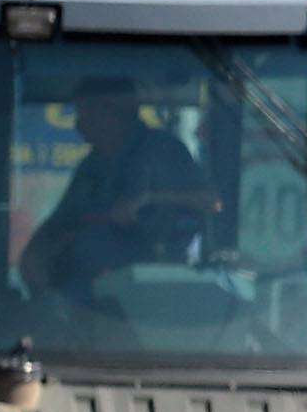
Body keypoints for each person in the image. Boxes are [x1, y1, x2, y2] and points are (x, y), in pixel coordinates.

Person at [21, 77, 210, 297]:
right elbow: (62, 221)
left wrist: (150, 199)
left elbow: (210, 202)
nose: (78, 124)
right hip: (86, 289)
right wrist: (35, 255)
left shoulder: (163, 151)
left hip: (151, 290)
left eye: (86, 113)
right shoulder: (91, 165)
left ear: (116, 112)